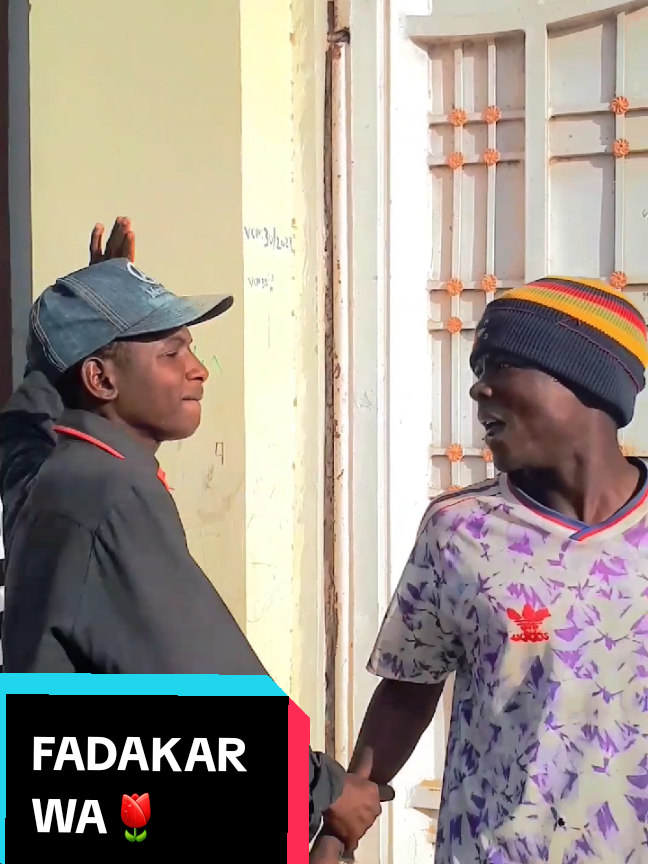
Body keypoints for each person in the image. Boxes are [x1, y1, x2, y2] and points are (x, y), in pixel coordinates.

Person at [0, 217, 386, 851]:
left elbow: (21, 433)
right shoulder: (112, 494)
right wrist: (325, 788)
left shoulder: (55, 472)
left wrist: (70, 331)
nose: (198, 369)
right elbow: (208, 688)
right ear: (101, 380)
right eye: (171, 354)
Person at [350, 277, 648, 863]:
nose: (478, 387)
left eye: (502, 364)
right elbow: (409, 688)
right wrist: (343, 822)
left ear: (586, 378)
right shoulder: (460, 529)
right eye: (477, 368)